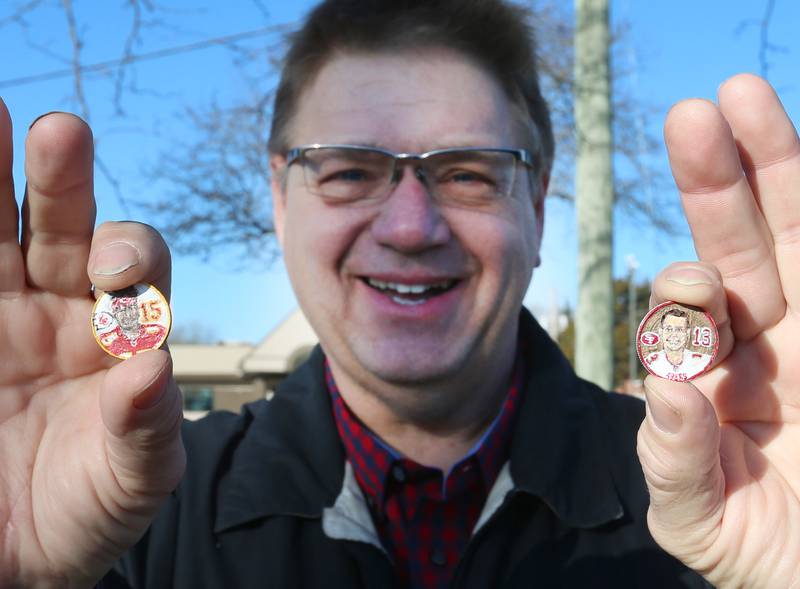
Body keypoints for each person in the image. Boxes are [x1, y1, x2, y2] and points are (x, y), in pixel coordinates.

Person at [0, 0, 798, 587]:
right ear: (281, 201)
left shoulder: (725, 498)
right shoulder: (134, 519)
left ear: (539, 205)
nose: (412, 226)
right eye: (348, 169)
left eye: (468, 172)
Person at [644, 308, 712, 381]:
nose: (674, 335)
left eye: (679, 330)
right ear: (661, 332)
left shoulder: (702, 362)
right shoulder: (652, 362)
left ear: (688, 333)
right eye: (669, 329)